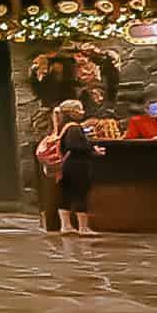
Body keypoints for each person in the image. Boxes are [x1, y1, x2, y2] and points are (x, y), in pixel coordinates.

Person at [52, 98, 103, 237]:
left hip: (66, 165)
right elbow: (74, 146)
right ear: (72, 112)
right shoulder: (74, 128)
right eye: (80, 109)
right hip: (77, 165)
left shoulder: (62, 126)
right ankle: (83, 227)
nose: (83, 112)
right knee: (81, 193)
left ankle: (66, 225)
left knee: (66, 195)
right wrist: (92, 150)